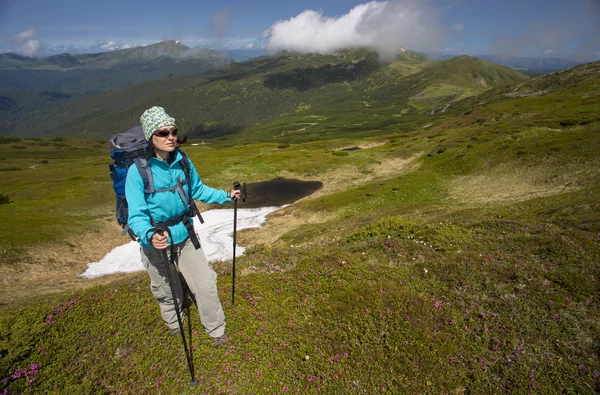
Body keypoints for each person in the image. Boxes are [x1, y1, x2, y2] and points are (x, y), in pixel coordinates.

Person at [125, 106, 240, 347]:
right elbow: (136, 216)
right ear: (150, 137)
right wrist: (149, 236)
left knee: (205, 282)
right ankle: (174, 324)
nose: (170, 137)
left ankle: (216, 329)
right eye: (162, 132)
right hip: (156, 238)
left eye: (173, 131)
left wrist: (227, 195)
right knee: (166, 288)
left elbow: (197, 190)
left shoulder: (183, 160)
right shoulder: (138, 172)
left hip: (185, 232)